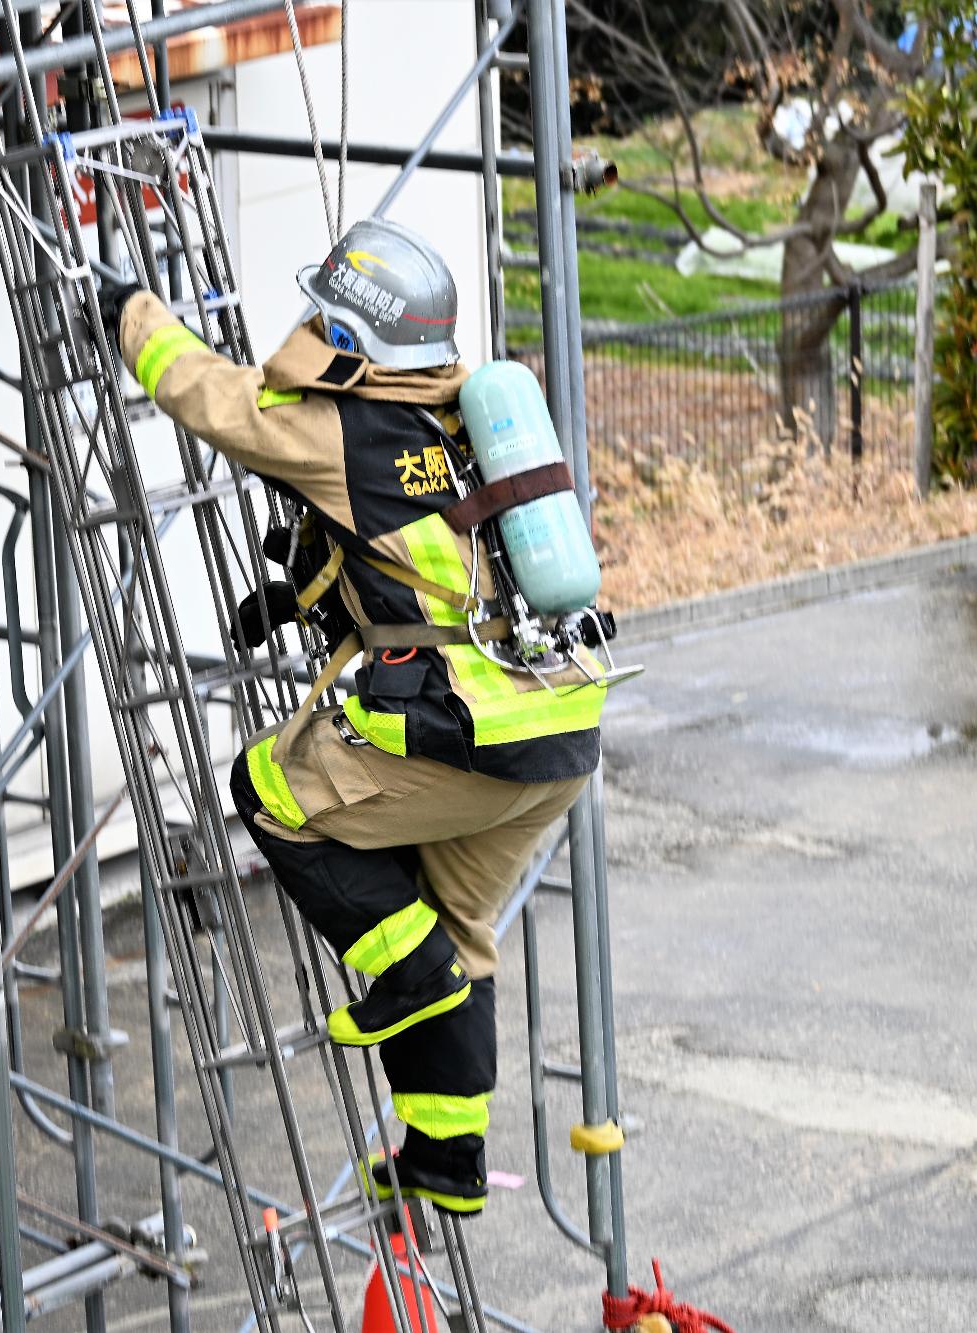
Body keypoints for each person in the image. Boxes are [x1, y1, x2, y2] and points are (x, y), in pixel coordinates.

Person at [101, 218, 606, 1215]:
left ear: (346, 331)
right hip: (559, 726)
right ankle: (445, 1160)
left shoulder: (342, 422)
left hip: (462, 728)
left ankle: (405, 975)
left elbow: (207, 395)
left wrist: (127, 312)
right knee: (461, 924)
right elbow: (419, 549)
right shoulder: (463, 417)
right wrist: (297, 600)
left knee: (268, 789)